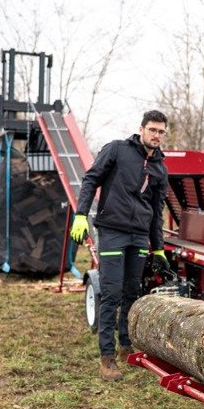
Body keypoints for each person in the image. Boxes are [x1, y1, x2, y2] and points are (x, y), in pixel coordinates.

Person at [70, 110, 170, 381]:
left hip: (139, 236)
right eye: (152, 130)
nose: (156, 135)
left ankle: (126, 347)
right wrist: (81, 214)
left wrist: (158, 247)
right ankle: (107, 358)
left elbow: (156, 209)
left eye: (161, 131)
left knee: (131, 293)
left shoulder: (161, 167)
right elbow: (91, 179)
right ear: (141, 129)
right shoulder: (117, 150)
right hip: (112, 231)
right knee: (111, 294)